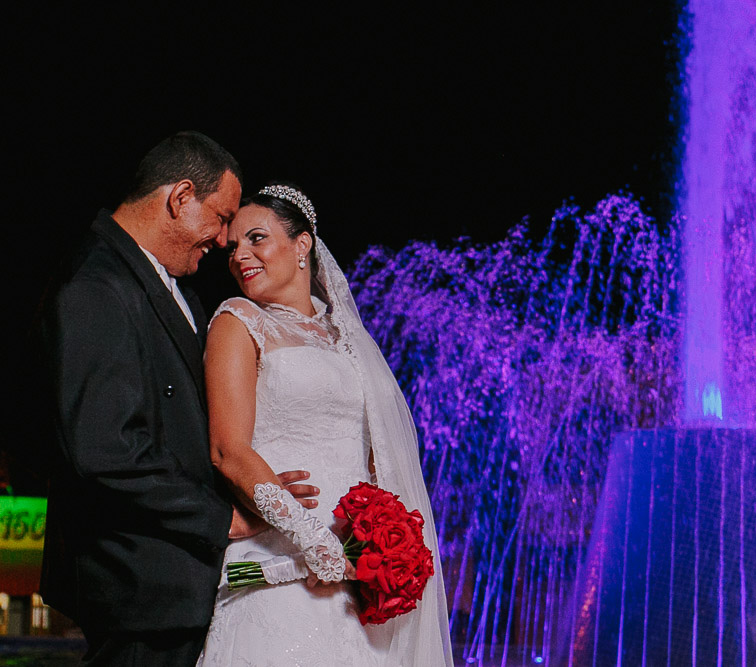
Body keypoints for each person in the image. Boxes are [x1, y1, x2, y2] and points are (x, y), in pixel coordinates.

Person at [36, 132, 317, 666]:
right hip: (140, 587)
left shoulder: (167, 284)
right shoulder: (95, 285)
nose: (223, 240)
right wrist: (223, 521)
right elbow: (105, 451)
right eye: (221, 217)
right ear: (180, 197)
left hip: (179, 585)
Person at [197, 184, 454, 666]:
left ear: (302, 244)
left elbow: (378, 451)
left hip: (356, 577)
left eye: (256, 238)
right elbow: (228, 450)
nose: (240, 256)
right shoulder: (239, 320)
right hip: (279, 563)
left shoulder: (347, 337)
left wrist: (381, 548)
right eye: (233, 247)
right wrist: (312, 540)